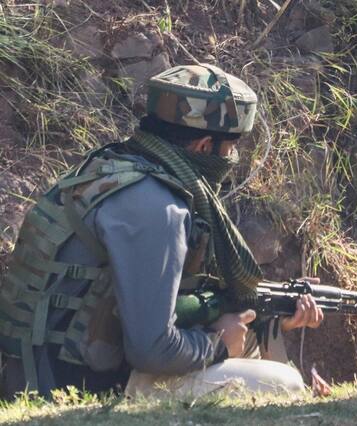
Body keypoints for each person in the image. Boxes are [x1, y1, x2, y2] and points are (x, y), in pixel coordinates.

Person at [0, 64, 323, 399]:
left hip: (35, 369)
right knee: (283, 383)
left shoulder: (109, 170)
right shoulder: (159, 207)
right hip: (70, 388)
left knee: (250, 339)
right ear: (204, 147)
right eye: (230, 149)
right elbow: (152, 350)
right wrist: (218, 345)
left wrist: (264, 321)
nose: (231, 159)